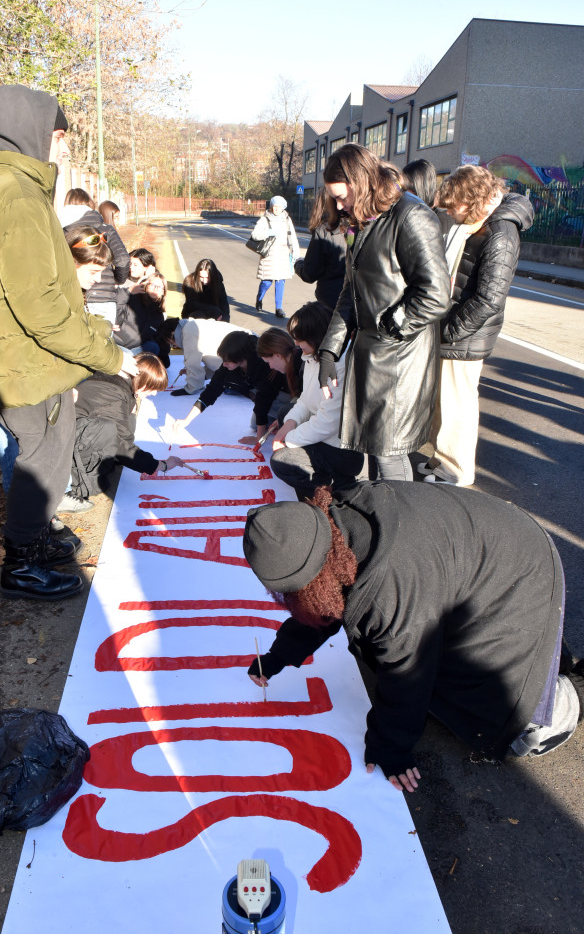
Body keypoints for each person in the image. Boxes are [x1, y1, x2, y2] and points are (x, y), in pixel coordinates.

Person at [243, 482, 580, 794]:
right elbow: (321, 603)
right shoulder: (337, 528)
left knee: (511, 722)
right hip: (483, 552)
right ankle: (545, 653)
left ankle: (562, 691)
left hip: (518, 572)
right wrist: (278, 657)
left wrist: (389, 748)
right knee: (437, 668)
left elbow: (408, 673)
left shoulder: (391, 594)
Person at [0, 84, 138, 602]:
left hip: (11, 359)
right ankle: (22, 563)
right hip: (26, 364)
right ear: (35, 133)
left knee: (42, 456)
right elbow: (44, 309)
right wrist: (112, 356)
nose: (62, 148)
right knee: (42, 464)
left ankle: (34, 543)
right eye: (59, 137)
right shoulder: (18, 199)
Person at [317, 144, 451, 482]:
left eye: (341, 196)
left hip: (400, 356)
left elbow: (435, 294)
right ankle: (389, 519)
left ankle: (400, 526)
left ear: (361, 183)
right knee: (376, 449)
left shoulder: (411, 216)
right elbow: (351, 292)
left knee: (388, 453)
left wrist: (391, 326)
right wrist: (329, 351)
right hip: (374, 354)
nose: (338, 204)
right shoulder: (362, 220)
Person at [419, 165, 534, 487]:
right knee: (443, 401)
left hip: (464, 335)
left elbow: (488, 299)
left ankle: (456, 470)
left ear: (473, 200)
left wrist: (448, 333)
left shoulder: (500, 234)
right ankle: (441, 459)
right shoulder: (479, 225)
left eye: (455, 206)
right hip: (454, 329)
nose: (451, 214)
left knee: (458, 405)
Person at [265, 303, 365, 498]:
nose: (296, 345)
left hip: (340, 449)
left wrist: (289, 439)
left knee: (282, 461)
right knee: (286, 414)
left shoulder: (339, 366)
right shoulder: (312, 356)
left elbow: (327, 423)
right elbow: (304, 401)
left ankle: (338, 488)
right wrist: (291, 423)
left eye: (300, 339)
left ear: (316, 336)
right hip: (324, 432)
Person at [71, 354, 184, 498]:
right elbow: (123, 445)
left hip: (78, 430)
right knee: (108, 430)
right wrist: (160, 465)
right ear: (141, 379)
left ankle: (107, 461)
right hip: (69, 441)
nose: (155, 394)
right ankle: (79, 486)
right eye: (152, 387)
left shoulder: (117, 382)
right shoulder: (113, 396)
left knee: (128, 418)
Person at [171, 330, 289, 444]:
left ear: (241, 357)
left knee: (266, 417)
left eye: (227, 361)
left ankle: (288, 418)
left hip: (285, 393)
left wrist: (259, 439)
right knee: (255, 425)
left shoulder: (262, 364)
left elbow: (263, 401)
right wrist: (186, 421)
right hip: (264, 394)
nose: (224, 364)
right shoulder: (228, 365)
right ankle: (279, 419)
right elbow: (210, 392)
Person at [60, 192, 130, 322]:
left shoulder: (61, 230)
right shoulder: (105, 228)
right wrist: (116, 280)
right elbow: (123, 259)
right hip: (105, 297)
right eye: (94, 271)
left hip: (72, 298)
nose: (98, 278)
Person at [158, 316, 254, 395]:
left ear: (172, 334)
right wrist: (201, 376)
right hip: (248, 349)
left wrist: (190, 388)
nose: (175, 345)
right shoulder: (192, 325)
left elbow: (192, 363)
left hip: (246, 359)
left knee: (228, 387)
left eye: (172, 343)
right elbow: (213, 361)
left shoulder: (189, 332)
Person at [294, 187, 348, 310]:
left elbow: (310, 274)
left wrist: (297, 263)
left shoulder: (324, 231)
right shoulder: (357, 226)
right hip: (356, 301)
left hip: (330, 301)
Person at [250, 195, 300, 318]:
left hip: (283, 253)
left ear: (283, 207)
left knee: (280, 281)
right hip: (269, 255)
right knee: (266, 282)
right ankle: (259, 298)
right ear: (271, 207)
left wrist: (295, 252)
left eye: (279, 207)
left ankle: (279, 308)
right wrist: (268, 233)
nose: (276, 209)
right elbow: (255, 235)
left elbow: (292, 236)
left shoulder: (287, 220)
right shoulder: (264, 219)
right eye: (274, 206)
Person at [114, 271, 167, 355]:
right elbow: (115, 301)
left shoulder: (159, 316)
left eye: (160, 286)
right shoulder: (133, 299)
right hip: (118, 344)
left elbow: (158, 339)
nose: (156, 288)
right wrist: (129, 291)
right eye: (152, 285)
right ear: (146, 286)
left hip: (136, 349)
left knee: (153, 346)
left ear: (163, 292)